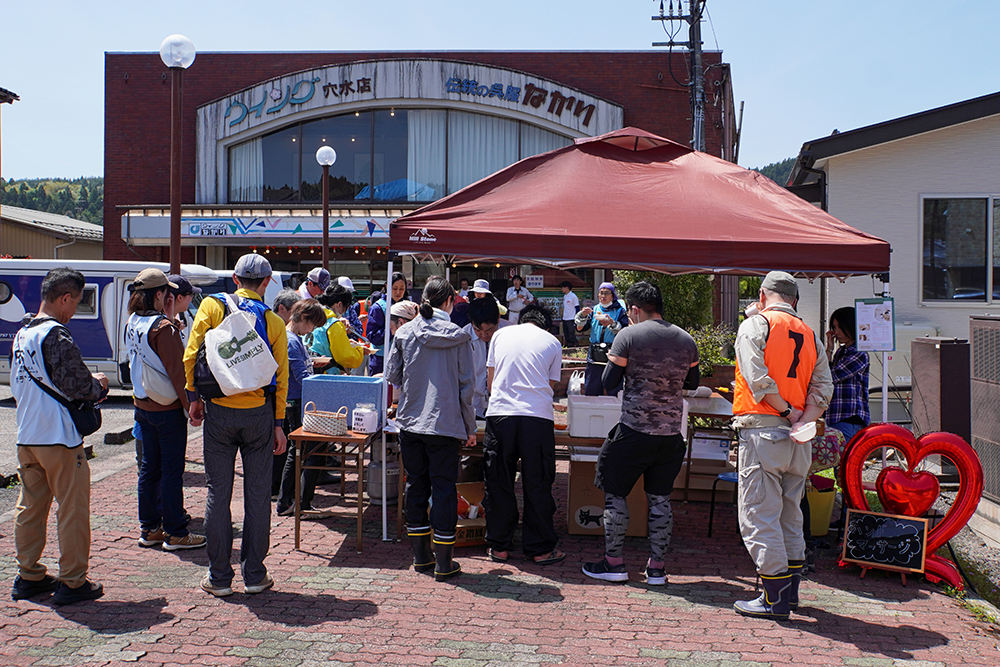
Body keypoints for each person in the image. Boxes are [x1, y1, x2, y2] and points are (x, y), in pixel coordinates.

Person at [184, 253, 289, 598]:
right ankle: (255, 574)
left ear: (234, 278)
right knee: (257, 496)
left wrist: (194, 397)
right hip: (259, 413)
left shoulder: (212, 306)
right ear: (266, 282)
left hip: (219, 411)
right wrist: (278, 423)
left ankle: (219, 577)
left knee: (218, 492)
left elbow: (191, 354)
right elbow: (281, 378)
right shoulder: (273, 321)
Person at [581, 282, 699, 585]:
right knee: (660, 500)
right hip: (671, 435)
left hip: (633, 431)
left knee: (615, 493)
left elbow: (609, 381)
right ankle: (657, 568)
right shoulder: (686, 339)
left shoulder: (628, 336)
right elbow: (693, 383)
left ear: (633, 309)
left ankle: (614, 563)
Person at [731, 271, 832, 620]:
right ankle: (790, 594)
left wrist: (788, 412)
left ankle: (773, 599)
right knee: (791, 513)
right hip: (798, 439)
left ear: (762, 295)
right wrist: (803, 420)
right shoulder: (810, 333)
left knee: (759, 514)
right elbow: (823, 387)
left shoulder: (755, 325)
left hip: (763, 432)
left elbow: (757, 379)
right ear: (795, 300)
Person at [10, 267, 109, 605]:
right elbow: (79, 385)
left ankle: (28, 574)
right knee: (72, 509)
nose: (75, 311)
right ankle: (73, 580)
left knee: (30, 507)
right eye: (76, 302)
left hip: (27, 434)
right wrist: (99, 384)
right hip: (59, 436)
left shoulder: (22, 333)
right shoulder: (56, 334)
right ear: (65, 298)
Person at [385, 277, 476, 582]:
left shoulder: (405, 332)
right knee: (444, 489)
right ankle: (444, 563)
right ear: (449, 301)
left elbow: (392, 375)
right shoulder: (460, 336)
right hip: (446, 423)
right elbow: (467, 387)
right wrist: (470, 426)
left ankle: (421, 557)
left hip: (411, 422)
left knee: (416, 485)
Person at [126, 269, 207, 552]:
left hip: (142, 404)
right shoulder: (163, 328)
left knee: (149, 469)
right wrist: (191, 406)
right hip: (167, 408)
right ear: (159, 294)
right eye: (166, 292)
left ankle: (150, 528)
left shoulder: (133, 321)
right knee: (172, 471)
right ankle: (175, 532)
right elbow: (178, 372)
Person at [483, 304, 565, 566]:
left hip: (500, 414)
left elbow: (491, 382)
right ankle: (540, 549)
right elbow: (549, 386)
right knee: (537, 482)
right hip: (537, 418)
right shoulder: (553, 342)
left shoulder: (500, 335)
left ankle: (499, 546)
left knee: (498, 480)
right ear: (547, 325)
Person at [275, 299, 330, 517]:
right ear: (304, 318)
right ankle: (297, 502)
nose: (313, 330)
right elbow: (302, 376)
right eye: (313, 324)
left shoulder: (294, 338)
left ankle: (291, 501)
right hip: (297, 401)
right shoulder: (291, 340)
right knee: (305, 451)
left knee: (299, 451)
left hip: (298, 399)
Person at [270, 289, 302, 497]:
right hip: (280, 393)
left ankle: (277, 487)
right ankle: (277, 488)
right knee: (281, 443)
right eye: (294, 311)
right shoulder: (277, 329)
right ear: (282, 309)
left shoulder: (284, 331)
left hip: (282, 392)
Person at [825, 306, 870, 444]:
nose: (836, 332)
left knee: (843, 456)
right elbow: (825, 373)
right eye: (834, 327)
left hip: (849, 417)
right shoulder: (841, 352)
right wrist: (829, 349)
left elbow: (829, 377)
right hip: (837, 415)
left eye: (840, 327)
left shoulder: (859, 353)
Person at [575, 282, 629, 396]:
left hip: (613, 352)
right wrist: (582, 316)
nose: (603, 296)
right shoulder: (594, 310)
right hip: (595, 353)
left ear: (613, 295)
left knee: (614, 388)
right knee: (592, 387)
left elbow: (625, 332)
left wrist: (612, 323)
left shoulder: (620, 311)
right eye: (601, 293)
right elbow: (580, 329)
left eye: (606, 293)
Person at [462, 295, 511, 419]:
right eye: (478, 330)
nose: (484, 335)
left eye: (489, 330)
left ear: (498, 318)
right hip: (473, 404)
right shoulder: (463, 337)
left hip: (505, 404)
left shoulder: (511, 333)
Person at [311, 284, 365, 375]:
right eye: (346, 308)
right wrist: (360, 350)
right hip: (326, 375)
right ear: (340, 304)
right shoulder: (334, 324)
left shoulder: (312, 316)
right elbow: (345, 357)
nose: (344, 312)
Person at [366, 272, 407, 376]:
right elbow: (372, 336)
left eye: (402, 288)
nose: (398, 292)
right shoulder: (378, 307)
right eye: (394, 288)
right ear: (387, 286)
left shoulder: (406, 306)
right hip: (381, 359)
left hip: (402, 358)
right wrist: (391, 330)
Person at [166, 273, 201, 343]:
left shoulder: (173, 321)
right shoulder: (164, 325)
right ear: (180, 297)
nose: (191, 299)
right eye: (191, 294)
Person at [559, 281, 579, 347]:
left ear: (566, 288)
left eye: (563, 288)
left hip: (571, 318)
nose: (562, 289)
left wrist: (577, 318)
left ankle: (575, 345)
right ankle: (569, 345)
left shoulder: (573, 296)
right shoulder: (565, 296)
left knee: (571, 333)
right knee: (566, 333)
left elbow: (577, 307)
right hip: (565, 318)